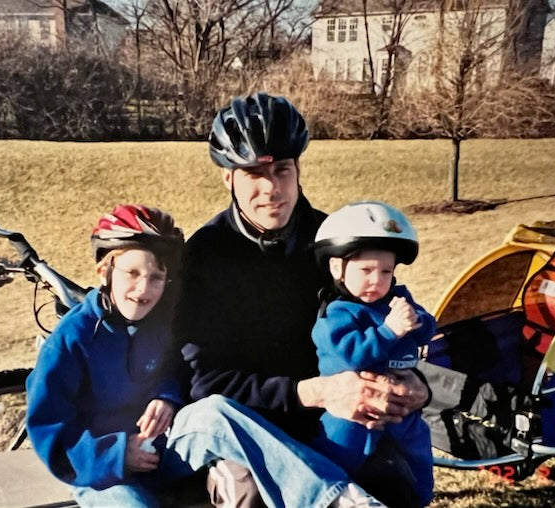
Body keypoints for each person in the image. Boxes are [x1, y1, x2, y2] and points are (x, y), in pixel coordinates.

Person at [25, 204, 386, 508]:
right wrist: (117, 454)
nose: (143, 289)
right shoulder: (71, 340)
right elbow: (50, 432)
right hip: (105, 472)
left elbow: (172, 369)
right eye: (131, 273)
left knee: (214, 411)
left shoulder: (160, 321)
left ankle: (334, 498)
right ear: (105, 271)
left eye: (155, 278)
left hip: (162, 449)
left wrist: (167, 396)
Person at [177, 92, 432, 507]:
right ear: (228, 178)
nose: (272, 189)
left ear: (298, 169)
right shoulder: (205, 257)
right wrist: (317, 392)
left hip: (341, 419)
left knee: (398, 483)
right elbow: (206, 384)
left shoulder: (336, 242)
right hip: (256, 424)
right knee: (247, 492)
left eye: (282, 170)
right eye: (253, 175)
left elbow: (394, 322)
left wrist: (416, 385)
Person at [311, 201, 437, 507]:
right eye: (366, 270)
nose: (377, 281)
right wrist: (390, 331)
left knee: (417, 452)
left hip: (401, 409)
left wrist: (416, 319)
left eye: (386, 271)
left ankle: (418, 498)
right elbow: (352, 356)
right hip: (355, 412)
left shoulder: (395, 300)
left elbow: (427, 330)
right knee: (337, 457)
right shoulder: (338, 314)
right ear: (337, 268)